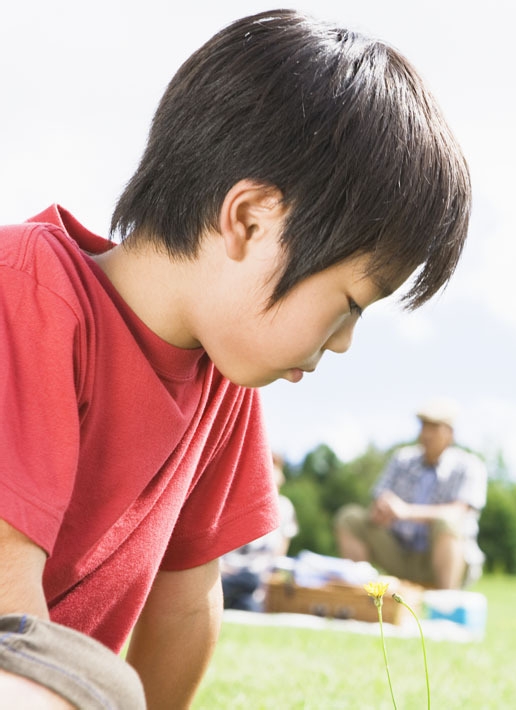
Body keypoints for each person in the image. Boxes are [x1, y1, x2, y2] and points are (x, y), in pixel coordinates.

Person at [0, 9, 470, 709]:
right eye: (348, 303)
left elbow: (189, 605)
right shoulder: (29, 287)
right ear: (250, 221)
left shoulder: (224, 385)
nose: (342, 341)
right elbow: (11, 601)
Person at [335, 399, 488, 590]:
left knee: (447, 521)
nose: (426, 434)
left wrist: (407, 512)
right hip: (400, 554)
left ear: (450, 434)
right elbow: (379, 500)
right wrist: (380, 512)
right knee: (350, 518)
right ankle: (360, 594)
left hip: (444, 560)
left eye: (434, 427)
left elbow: (458, 512)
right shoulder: (402, 459)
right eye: (424, 426)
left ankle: (445, 602)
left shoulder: (470, 465)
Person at [220, 453, 299, 612]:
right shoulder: (235, 502)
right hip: (228, 573)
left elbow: (279, 554)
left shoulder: (284, 508)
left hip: (256, 580)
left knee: (248, 601)